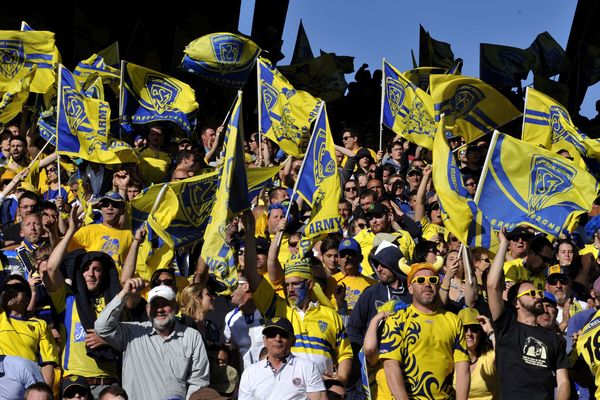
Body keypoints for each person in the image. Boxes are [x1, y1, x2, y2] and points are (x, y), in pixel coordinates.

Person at [487, 229, 570, 399]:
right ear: (516, 303)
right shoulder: (506, 327)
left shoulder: (555, 339)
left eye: (539, 293)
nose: (538, 296)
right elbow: (492, 286)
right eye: (531, 294)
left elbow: (563, 382)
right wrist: (503, 244)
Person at [95, 279, 210, 399]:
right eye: (155, 305)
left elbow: (198, 382)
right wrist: (125, 293)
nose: (160, 309)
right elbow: (101, 327)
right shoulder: (133, 332)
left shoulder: (192, 336)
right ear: (148, 309)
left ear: (175, 307)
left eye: (165, 304)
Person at [379, 263, 470, 400]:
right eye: (420, 281)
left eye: (432, 280)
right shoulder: (397, 320)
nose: (427, 284)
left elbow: (462, 367)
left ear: (438, 285)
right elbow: (390, 365)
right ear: (410, 288)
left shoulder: (453, 320)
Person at [238, 317, 327, 400]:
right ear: (264, 341)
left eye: (283, 334)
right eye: (272, 334)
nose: (277, 338)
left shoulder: (307, 367)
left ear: (293, 341)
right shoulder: (250, 373)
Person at [0, 274, 59, 387]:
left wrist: (44, 392)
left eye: (17, 288)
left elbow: (48, 362)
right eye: (7, 289)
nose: (12, 291)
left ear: (27, 298)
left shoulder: (40, 324)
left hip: (29, 383)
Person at [68, 191, 133, 271]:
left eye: (115, 205)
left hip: (117, 281)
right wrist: (88, 205)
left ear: (122, 210)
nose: (110, 207)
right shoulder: (87, 230)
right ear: (101, 208)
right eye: (105, 204)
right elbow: (64, 248)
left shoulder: (129, 235)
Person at [455, 308, 498, 400]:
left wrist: (490, 331)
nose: (469, 333)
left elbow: (505, 359)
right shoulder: (450, 359)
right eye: (465, 329)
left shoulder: (489, 357)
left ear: (480, 333)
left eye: (474, 329)